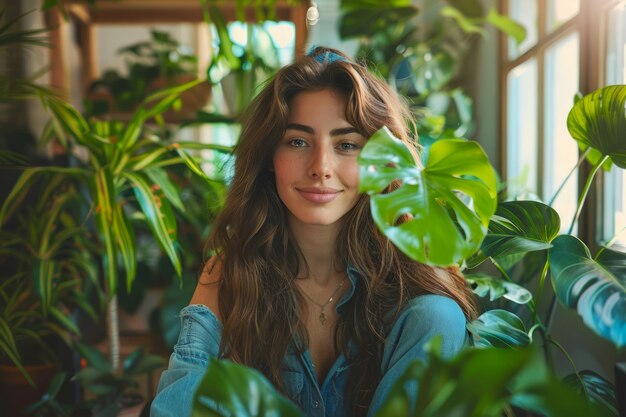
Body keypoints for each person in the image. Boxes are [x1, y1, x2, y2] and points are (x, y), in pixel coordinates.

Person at [151, 46, 476, 417]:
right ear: (269, 158)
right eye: (298, 141)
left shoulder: (416, 294)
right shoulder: (233, 270)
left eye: (347, 144)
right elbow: (178, 403)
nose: (321, 167)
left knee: (438, 313)